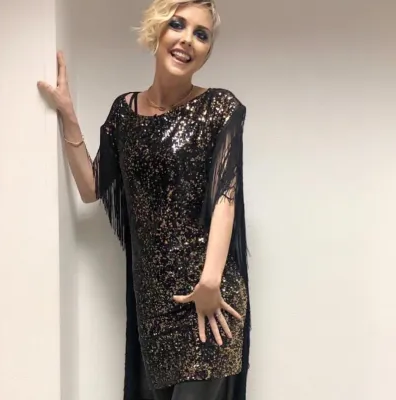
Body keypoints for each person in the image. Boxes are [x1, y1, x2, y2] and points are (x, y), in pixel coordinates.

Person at [38, 0, 251, 399]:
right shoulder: (124, 112)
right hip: (154, 304)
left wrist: (209, 282)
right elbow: (90, 188)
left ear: (207, 52)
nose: (187, 40)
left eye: (201, 34)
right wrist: (67, 114)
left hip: (209, 300)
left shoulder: (220, 107)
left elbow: (226, 195)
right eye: (178, 25)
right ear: (158, 30)